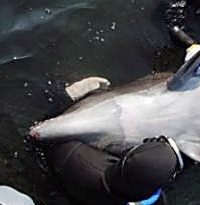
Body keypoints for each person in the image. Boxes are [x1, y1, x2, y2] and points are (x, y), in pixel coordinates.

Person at [39, 77, 185, 205]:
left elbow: (43, 136)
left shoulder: (74, 155)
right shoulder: (154, 200)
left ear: (126, 160)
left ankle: (74, 95)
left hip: (74, 177)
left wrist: (66, 99)